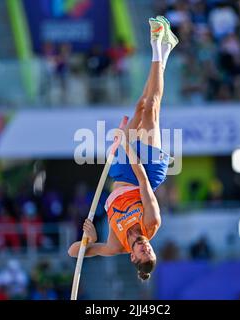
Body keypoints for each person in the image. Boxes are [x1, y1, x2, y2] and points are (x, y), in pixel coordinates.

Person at [68, 16, 178, 281]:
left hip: (120, 175)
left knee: (140, 106)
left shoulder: (115, 245)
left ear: (132, 256)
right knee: (151, 110)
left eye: (142, 251)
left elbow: (73, 253)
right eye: (150, 249)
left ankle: (165, 49)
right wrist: (126, 145)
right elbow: (141, 179)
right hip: (146, 174)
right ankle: (156, 43)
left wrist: (87, 241)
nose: (145, 246)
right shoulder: (151, 223)